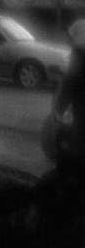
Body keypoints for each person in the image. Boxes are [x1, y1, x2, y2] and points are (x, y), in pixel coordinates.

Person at [50, 19, 85, 164]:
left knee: (80, 127)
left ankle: (73, 166)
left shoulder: (79, 52)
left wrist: (59, 108)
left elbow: (70, 80)